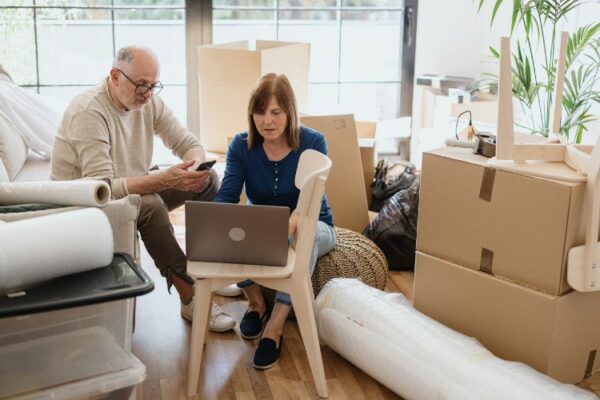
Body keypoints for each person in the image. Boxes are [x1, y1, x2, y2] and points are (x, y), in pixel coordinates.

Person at [50, 46, 237, 332]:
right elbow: (102, 187)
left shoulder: (148, 103)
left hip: (126, 190)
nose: (147, 93)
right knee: (149, 204)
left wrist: (194, 166)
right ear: (114, 76)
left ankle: (205, 272)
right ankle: (190, 295)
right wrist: (165, 179)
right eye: (141, 85)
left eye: (153, 86)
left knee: (208, 178)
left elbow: (188, 143)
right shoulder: (89, 112)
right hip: (84, 204)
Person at [215, 73, 337, 369]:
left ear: (289, 112)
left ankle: (276, 325)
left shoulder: (313, 142)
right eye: (259, 112)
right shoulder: (241, 146)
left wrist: (289, 225)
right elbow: (228, 195)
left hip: (313, 224)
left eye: (275, 112)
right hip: (265, 226)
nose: (266, 121)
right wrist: (219, 223)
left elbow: (308, 206)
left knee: (300, 236)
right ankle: (256, 303)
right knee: (233, 229)